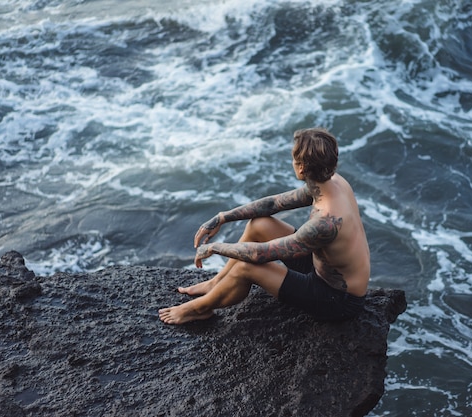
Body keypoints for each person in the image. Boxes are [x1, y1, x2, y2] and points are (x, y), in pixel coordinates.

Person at [158, 128, 370, 324]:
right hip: (322, 268)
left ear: (302, 168)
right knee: (259, 225)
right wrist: (222, 217)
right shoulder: (333, 182)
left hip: (336, 299)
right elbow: (274, 203)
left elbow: (261, 255)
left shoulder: (325, 222)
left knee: (246, 267)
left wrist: (214, 247)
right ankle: (217, 283)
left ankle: (198, 310)